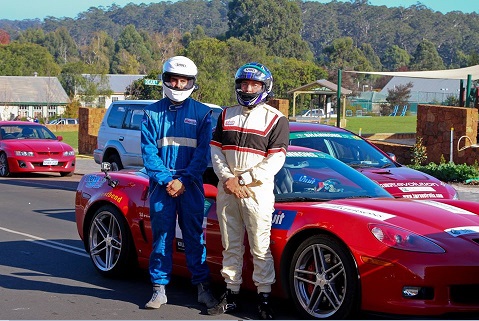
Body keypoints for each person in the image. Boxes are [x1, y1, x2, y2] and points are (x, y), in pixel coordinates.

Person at [208, 62, 289, 320]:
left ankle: (264, 298)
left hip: (257, 191)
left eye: (254, 84)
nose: (248, 88)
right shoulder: (225, 115)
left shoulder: (276, 119)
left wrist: (244, 180)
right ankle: (231, 294)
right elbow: (216, 151)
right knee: (230, 244)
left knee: (260, 246)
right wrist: (229, 179)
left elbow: (275, 160)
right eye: (243, 83)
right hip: (228, 188)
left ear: (265, 87)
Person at [140, 56, 217, 311]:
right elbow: (149, 153)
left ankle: (203, 287)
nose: (178, 84)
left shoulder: (203, 113)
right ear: (165, 80)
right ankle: (158, 289)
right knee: (161, 236)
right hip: (162, 186)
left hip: (190, 184)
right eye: (173, 79)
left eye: (183, 80)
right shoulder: (151, 113)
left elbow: (203, 153)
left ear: (191, 82)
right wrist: (167, 180)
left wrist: (182, 181)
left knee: (194, 237)